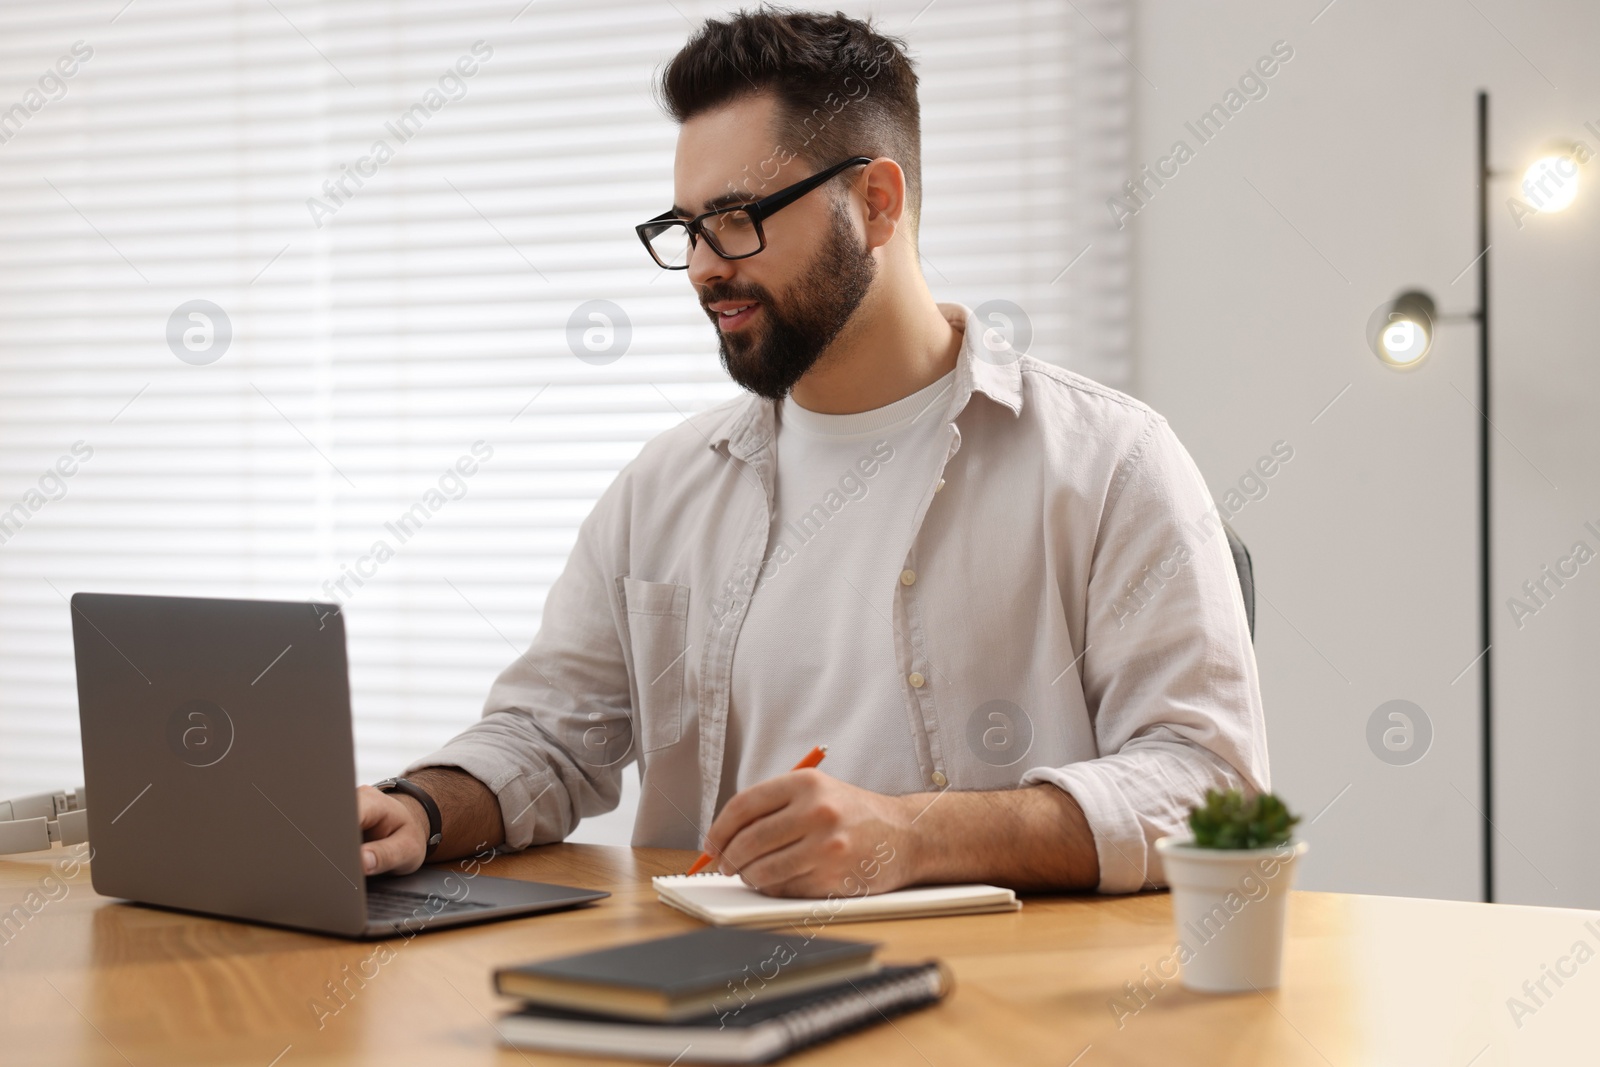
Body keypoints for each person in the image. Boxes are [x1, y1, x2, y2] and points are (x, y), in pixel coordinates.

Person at [356, 6, 1268, 898]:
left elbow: (1209, 785)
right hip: (700, 1000)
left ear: (876, 203)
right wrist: (419, 809)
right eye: (686, 230)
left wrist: (912, 837)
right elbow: (548, 739)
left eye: (739, 216)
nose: (707, 266)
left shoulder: (1111, 462)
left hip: (1000, 1009)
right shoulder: (663, 488)